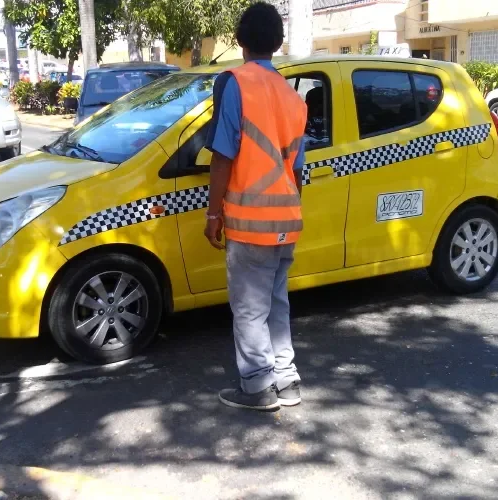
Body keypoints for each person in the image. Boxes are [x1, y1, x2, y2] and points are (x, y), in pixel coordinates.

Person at [203, 1, 308, 411]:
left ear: (241, 41)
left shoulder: (234, 82)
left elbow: (223, 155)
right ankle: (287, 380)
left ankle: (257, 387)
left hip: (249, 223)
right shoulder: (292, 96)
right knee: (276, 304)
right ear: (278, 43)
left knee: (249, 310)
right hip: (287, 220)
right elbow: (296, 168)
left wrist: (214, 214)